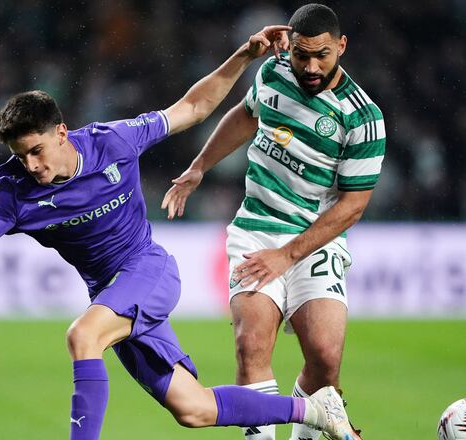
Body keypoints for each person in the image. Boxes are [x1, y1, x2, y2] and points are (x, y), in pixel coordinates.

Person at [0, 25, 355, 440]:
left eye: (36, 151)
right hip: (109, 295)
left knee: (83, 335)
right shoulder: (12, 190)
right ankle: (317, 410)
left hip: (147, 270)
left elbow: (192, 108)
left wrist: (244, 55)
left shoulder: (113, 141)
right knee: (195, 409)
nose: (31, 165)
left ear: (61, 133)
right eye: (21, 157)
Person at [162, 5, 386, 440]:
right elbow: (246, 116)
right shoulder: (275, 72)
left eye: (321, 54)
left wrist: (286, 256)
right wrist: (199, 167)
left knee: (325, 357)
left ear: (341, 46)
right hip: (256, 228)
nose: (311, 66)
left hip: (315, 241)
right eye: (302, 55)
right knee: (251, 346)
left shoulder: (363, 117)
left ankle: (308, 430)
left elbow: (353, 206)